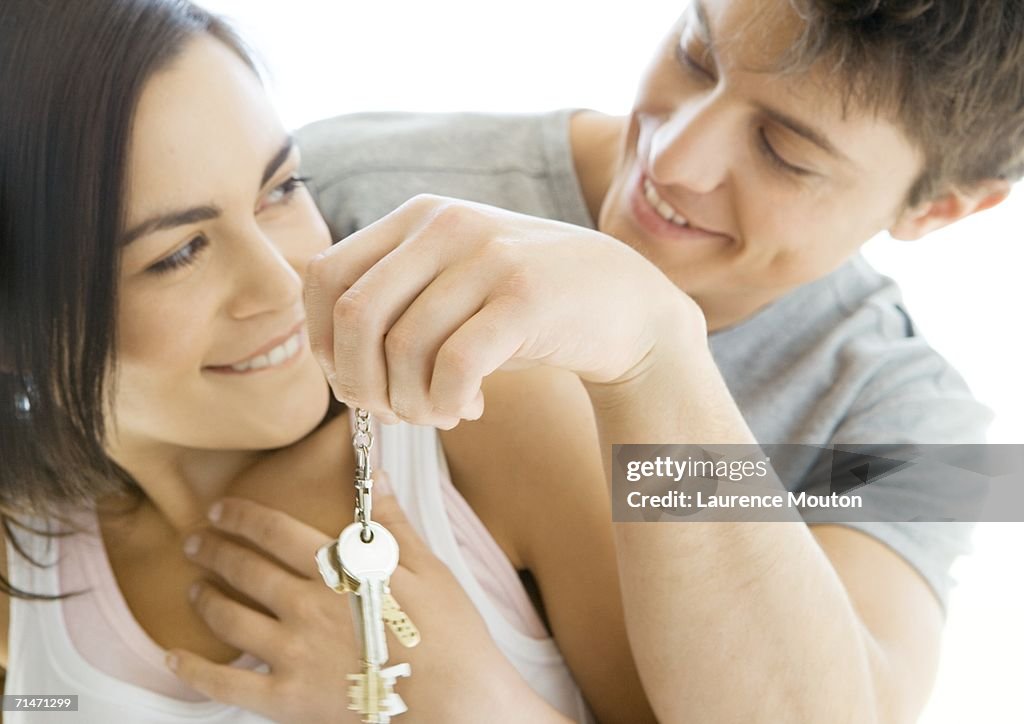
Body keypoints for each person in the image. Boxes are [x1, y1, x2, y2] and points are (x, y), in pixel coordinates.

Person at [283, 0, 1022, 721]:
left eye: (783, 152)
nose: (672, 159)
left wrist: (654, 350)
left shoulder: (923, 433)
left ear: (942, 208)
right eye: (696, 57)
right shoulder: (358, 191)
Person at [0, 1, 657, 722]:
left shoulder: (490, 412)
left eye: (281, 189)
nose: (287, 284)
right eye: (177, 253)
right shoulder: (23, 553)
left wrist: (474, 709)